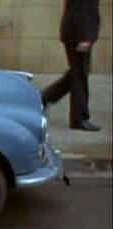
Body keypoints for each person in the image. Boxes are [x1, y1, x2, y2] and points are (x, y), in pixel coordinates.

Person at [42, 0, 101, 131]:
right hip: (78, 35)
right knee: (79, 75)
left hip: (77, 33)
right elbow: (81, 9)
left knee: (77, 73)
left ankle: (45, 97)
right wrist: (84, 38)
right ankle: (78, 118)